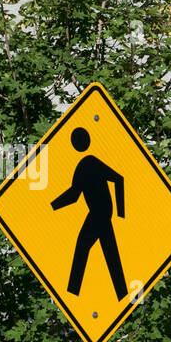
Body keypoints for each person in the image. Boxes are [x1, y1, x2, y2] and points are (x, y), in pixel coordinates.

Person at [50, 126, 128, 300]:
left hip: (100, 212)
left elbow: (119, 179)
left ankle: (73, 292)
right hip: (100, 213)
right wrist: (52, 206)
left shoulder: (90, 162)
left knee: (83, 247)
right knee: (109, 252)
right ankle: (122, 293)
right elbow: (74, 195)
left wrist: (121, 213)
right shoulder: (83, 165)